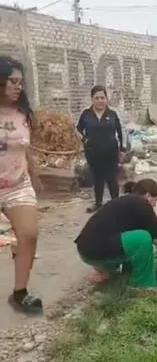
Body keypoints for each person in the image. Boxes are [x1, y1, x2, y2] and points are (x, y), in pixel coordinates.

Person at [74, 179, 157, 291]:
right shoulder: (140, 203)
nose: (154, 205)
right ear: (148, 195)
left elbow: (154, 235)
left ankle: (108, 272)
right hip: (97, 251)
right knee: (143, 239)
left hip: (86, 251)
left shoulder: (126, 203)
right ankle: (143, 287)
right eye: (155, 200)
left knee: (145, 242)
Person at [0, 56, 43, 314]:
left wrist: (34, 175)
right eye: (12, 81)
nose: (18, 87)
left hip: (18, 185)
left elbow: (25, 148)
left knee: (28, 235)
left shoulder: (23, 114)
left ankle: (20, 293)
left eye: (20, 82)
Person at [76, 85, 125, 213]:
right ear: (92, 99)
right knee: (97, 178)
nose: (99, 100)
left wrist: (122, 149)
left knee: (111, 178)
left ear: (106, 99)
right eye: (96, 98)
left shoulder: (112, 114)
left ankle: (116, 204)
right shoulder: (86, 114)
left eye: (102, 97)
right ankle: (98, 203)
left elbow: (120, 132)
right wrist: (84, 140)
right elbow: (78, 129)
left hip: (110, 152)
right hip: (93, 152)